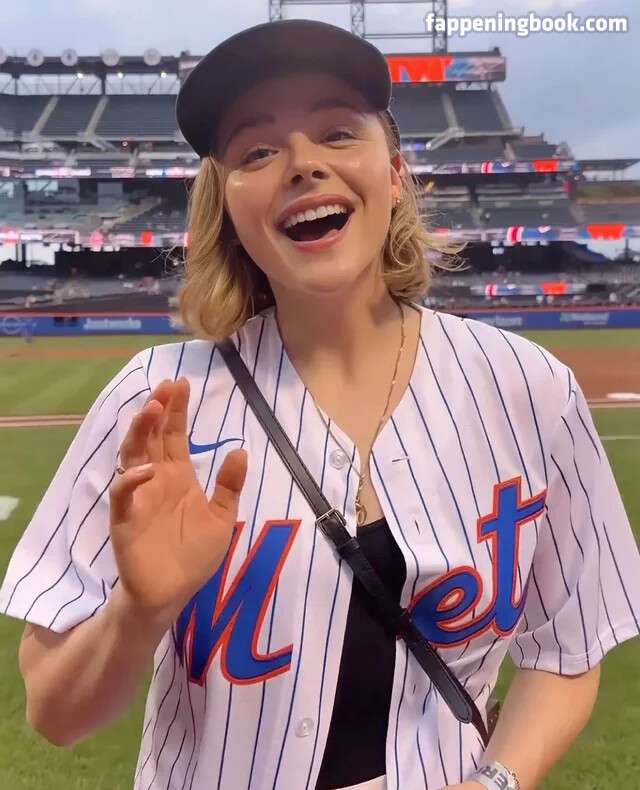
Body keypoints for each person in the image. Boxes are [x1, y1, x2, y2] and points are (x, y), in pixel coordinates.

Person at [1, 19, 639, 790]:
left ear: (394, 175)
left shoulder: (531, 390)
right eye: (257, 151)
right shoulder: (155, 403)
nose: (303, 163)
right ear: (227, 207)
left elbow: (567, 651)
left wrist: (495, 784)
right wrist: (138, 612)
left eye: (338, 132)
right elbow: (55, 713)